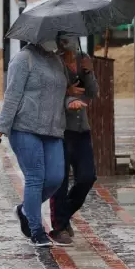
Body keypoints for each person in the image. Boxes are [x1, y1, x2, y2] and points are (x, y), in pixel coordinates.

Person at [0, 35, 87, 247]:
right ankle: (36, 231)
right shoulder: (22, 60)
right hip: (24, 128)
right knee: (35, 177)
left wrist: (72, 100)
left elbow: (63, 93)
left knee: (55, 178)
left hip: (52, 129)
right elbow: (12, 96)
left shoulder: (56, 61)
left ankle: (25, 210)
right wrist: (0, 129)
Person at [48, 38, 99, 246]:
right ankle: (58, 227)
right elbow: (50, 96)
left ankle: (64, 215)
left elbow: (93, 93)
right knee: (60, 180)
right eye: (64, 38)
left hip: (81, 130)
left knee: (87, 177)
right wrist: (68, 97)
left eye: (71, 37)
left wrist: (88, 72)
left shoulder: (83, 59)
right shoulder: (53, 63)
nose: (68, 43)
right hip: (61, 130)